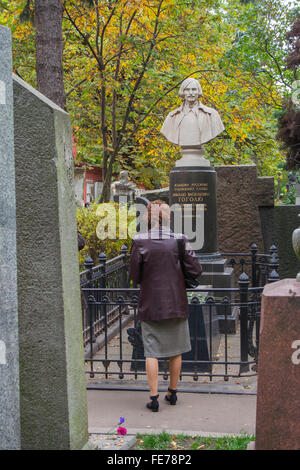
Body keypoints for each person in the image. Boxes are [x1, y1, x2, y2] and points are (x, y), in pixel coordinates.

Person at [129, 200, 202, 412]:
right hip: (176, 302)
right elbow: (196, 269)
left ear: (147, 217)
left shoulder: (139, 240)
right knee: (176, 350)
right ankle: (172, 392)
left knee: (151, 351)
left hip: (151, 303)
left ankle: (153, 397)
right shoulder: (180, 240)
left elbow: (134, 275)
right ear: (168, 217)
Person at [160, 77, 224, 147]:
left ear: (198, 91)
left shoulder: (212, 115)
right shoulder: (172, 117)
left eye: (194, 89)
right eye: (187, 90)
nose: (191, 93)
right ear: (183, 92)